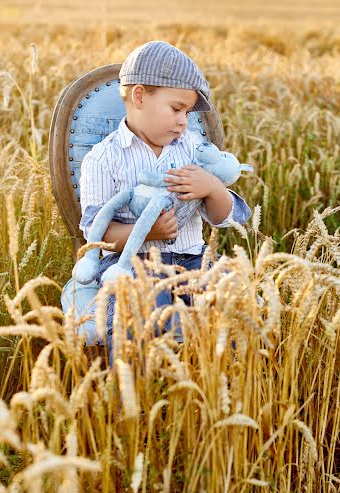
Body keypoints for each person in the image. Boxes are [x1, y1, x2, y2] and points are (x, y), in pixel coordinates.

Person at [77, 40, 252, 363]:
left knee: (232, 313)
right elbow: (95, 232)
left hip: (193, 263)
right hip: (131, 266)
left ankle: (215, 391)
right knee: (135, 322)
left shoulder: (193, 149)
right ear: (140, 96)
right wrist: (146, 232)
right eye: (176, 109)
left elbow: (224, 218)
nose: (184, 121)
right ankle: (135, 395)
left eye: (187, 112)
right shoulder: (103, 159)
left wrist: (212, 188)